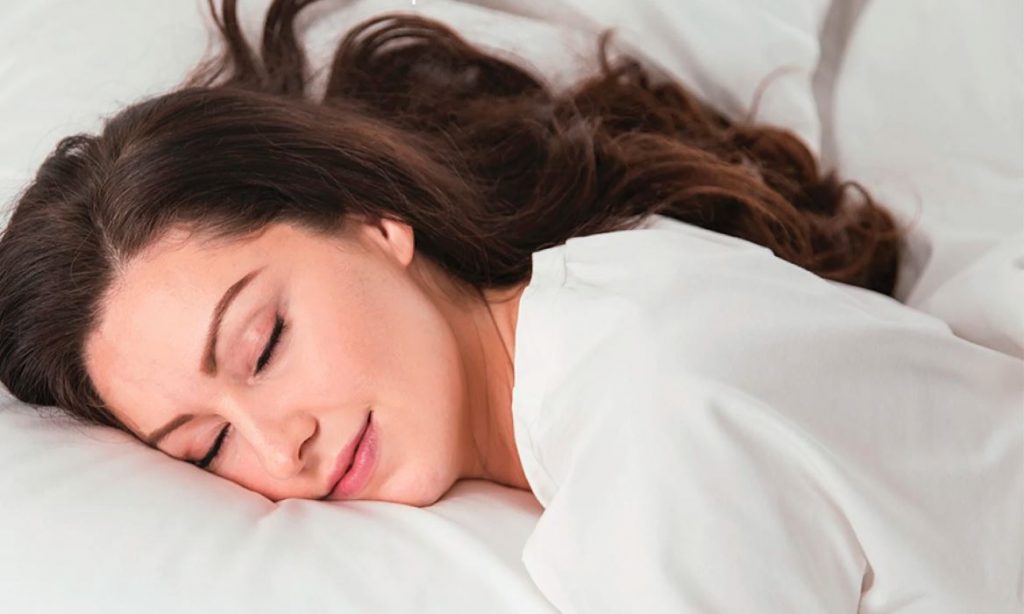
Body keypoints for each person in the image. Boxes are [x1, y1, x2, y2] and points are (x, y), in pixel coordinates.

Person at [0, 1, 1019, 612]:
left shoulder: (648, 403)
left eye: (263, 345)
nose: (281, 448)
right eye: (204, 448)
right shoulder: (612, 307)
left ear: (373, 219)